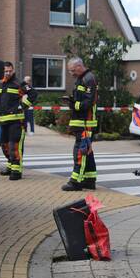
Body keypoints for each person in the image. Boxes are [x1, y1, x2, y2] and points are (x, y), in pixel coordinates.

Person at [62, 57, 98, 191]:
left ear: (78, 66)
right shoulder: (82, 79)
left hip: (86, 122)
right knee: (87, 152)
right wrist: (73, 101)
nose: (71, 74)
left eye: (72, 70)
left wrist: (74, 104)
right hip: (81, 122)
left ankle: (75, 182)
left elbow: (89, 102)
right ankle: (89, 180)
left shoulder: (89, 79)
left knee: (80, 151)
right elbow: (83, 99)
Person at [0, 61, 31, 181]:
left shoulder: (19, 83)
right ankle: (10, 165)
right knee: (4, 145)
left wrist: (22, 106)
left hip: (16, 121)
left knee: (14, 145)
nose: (8, 73)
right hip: (3, 120)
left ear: (13, 71)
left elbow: (33, 94)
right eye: (6, 71)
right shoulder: (1, 84)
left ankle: (16, 170)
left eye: (10, 71)